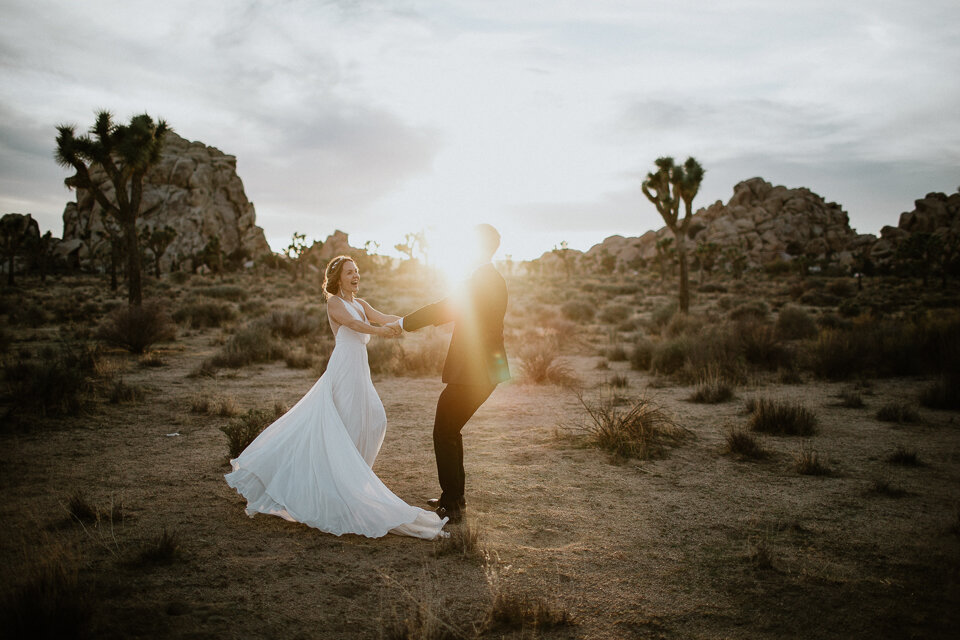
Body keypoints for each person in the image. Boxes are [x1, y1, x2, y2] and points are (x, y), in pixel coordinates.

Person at [224, 256, 447, 539]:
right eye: (350, 272)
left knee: (375, 419)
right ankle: (339, 486)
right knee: (346, 423)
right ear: (338, 278)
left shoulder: (361, 303)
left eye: (357, 271)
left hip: (360, 369)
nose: (356, 276)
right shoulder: (334, 303)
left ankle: (351, 481)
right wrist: (380, 332)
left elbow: (383, 317)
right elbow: (356, 326)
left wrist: (409, 323)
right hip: (343, 368)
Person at [391, 224, 510, 523]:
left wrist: (404, 323)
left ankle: (453, 505)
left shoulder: (481, 280)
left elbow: (445, 308)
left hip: (474, 372)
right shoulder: (490, 278)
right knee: (449, 430)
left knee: (444, 431)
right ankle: (453, 498)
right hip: (483, 370)